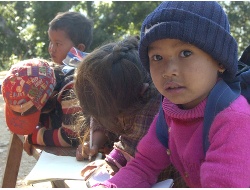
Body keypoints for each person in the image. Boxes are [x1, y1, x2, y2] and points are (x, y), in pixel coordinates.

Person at [92, 1, 250, 188]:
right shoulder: (169, 112)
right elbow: (144, 166)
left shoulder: (233, 121)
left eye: (185, 53)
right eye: (157, 57)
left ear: (220, 61)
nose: (169, 70)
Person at [74, 36, 163, 180]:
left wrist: (111, 169)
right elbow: (126, 146)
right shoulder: (127, 94)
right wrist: (109, 163)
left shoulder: (153, 107)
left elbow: (138, 158)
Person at [22, 11, 94, 155]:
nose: (51, 48)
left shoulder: (74, 83)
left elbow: (71, 137)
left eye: (58, 43)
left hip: (75, 145)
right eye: (51, 42)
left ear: (79, 49)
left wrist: (33, 135)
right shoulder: (56, 73)